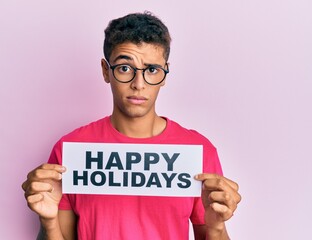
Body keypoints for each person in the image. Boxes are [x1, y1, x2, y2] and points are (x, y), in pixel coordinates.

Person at [22, 12, 241, 240]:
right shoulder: (71, 150)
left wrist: (217, 228)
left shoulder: (198, 152)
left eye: (152, 70)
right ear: (106, 71)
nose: (139, 84)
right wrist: (48, 222)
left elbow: (211, 230)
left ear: (165, 73)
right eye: (125, 68)